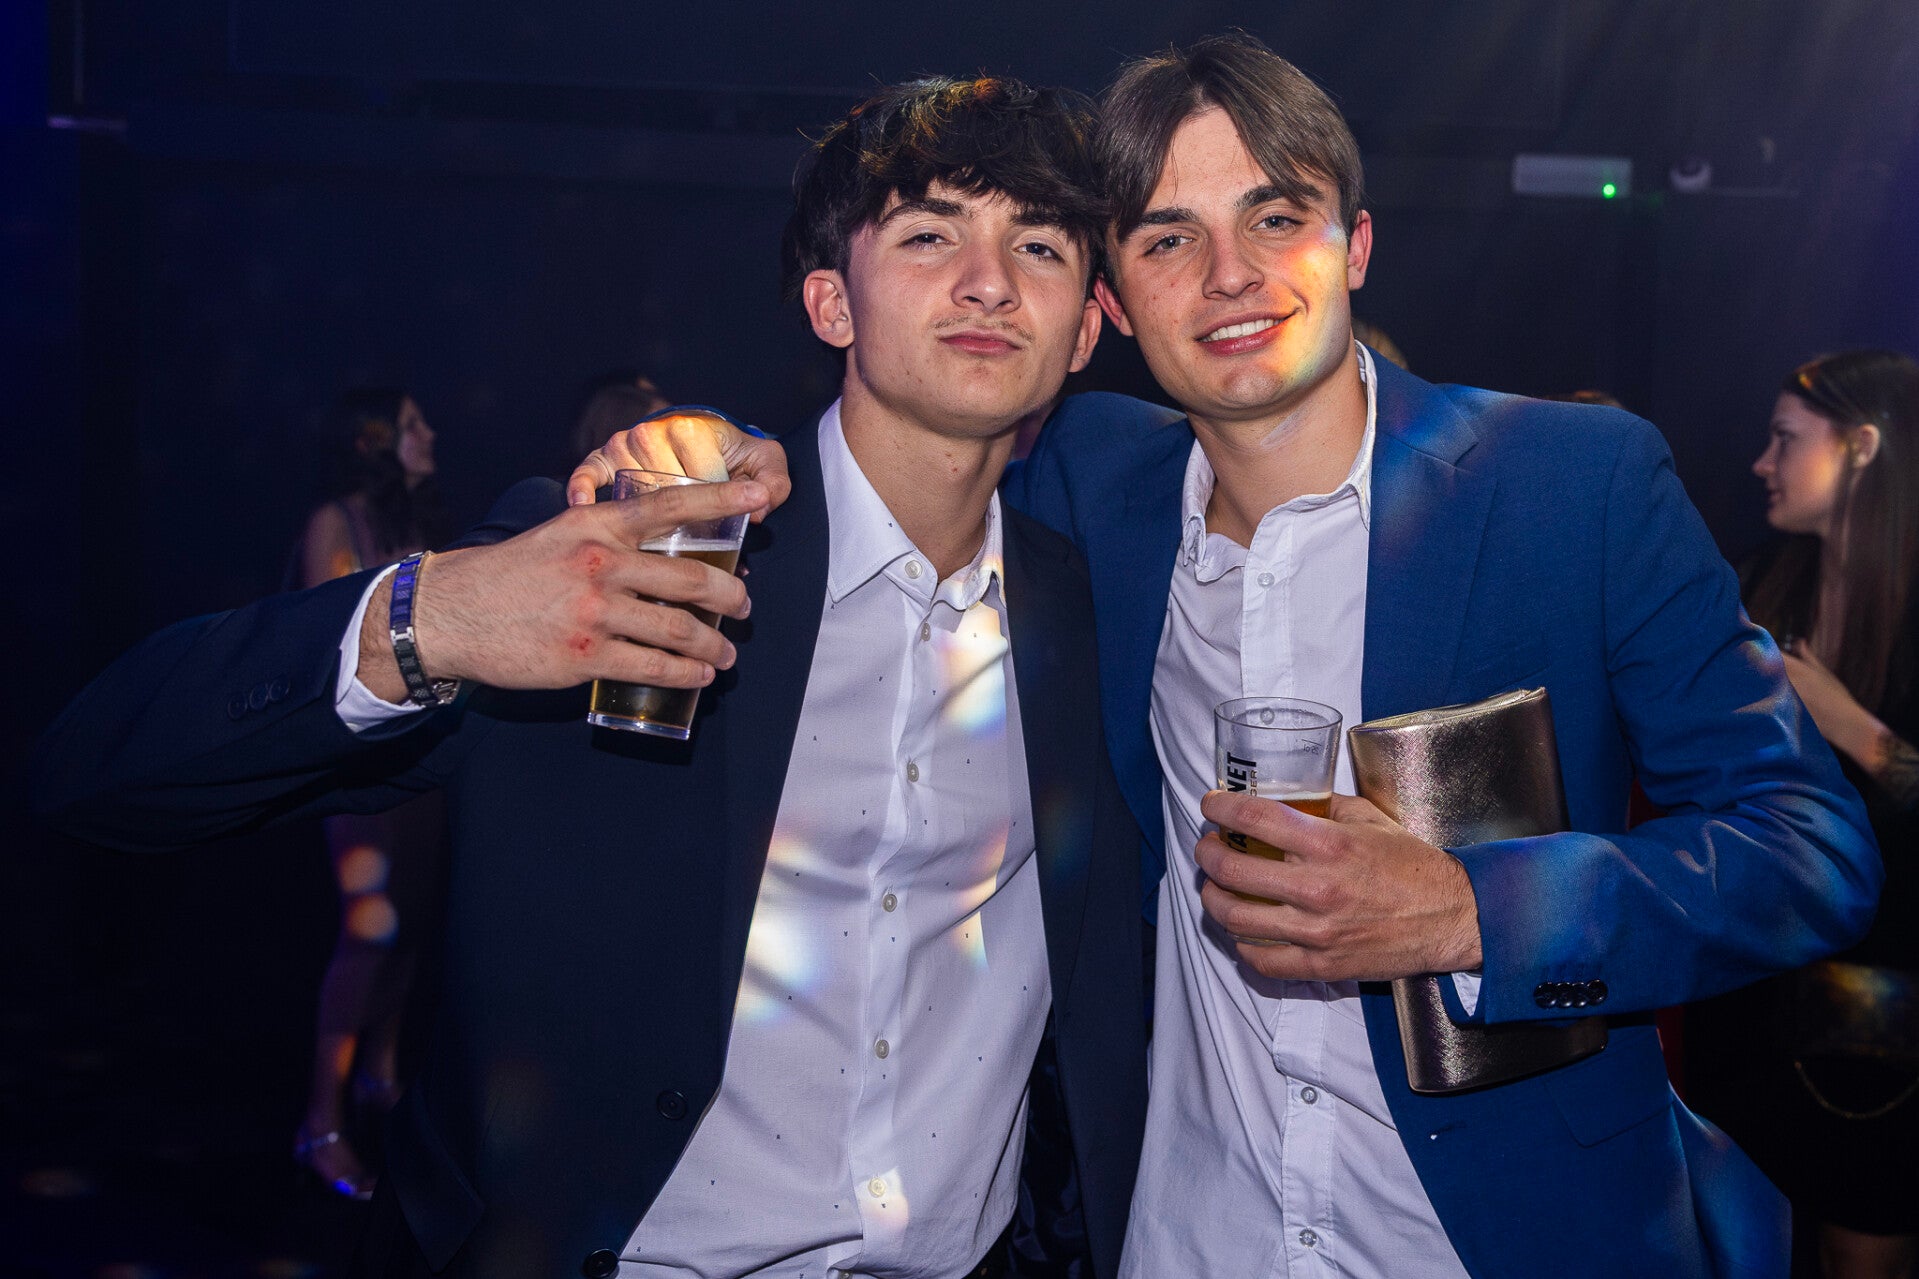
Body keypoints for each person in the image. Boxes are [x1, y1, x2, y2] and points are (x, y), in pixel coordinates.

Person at [580, 34, 1879, 1279]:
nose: (1228, 275)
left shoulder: (1569, 486)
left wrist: (1466, 911)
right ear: (1111, 304)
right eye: (1166, 238)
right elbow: (904, 432)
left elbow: (1807, 848)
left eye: (1274, 218)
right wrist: (696, 448)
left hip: (1497, 1235)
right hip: (1188, 1237)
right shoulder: (1096, 494)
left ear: (1352, 243)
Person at [35, 76, 1146, 1278]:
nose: (988, 282)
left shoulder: (1091, 615)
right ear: (832, 300)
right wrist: (434, 618)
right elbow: (100, 771)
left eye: (1038, 245)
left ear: (1085, 330)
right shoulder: (632, 555)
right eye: (930, 234)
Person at [1691, 349, 1919, 1279]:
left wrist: (1853, 728)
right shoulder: (1758, 586)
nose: (1761, 463)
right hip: (1752, 991)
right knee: (1747, 1240)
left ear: (1862, 447)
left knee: (1859, 1240)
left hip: (1881, 1014)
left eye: (1785, 439)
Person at [293, 388, 452, 1199]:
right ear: (373, 439)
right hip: (359, 763)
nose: (429, 434)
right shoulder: (336, 521)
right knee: (370, 928)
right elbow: (329, 648)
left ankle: (378, 1078)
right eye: (412, 424)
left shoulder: (420, 523)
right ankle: (320, 1121)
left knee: (414, 922)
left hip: (423, 755)